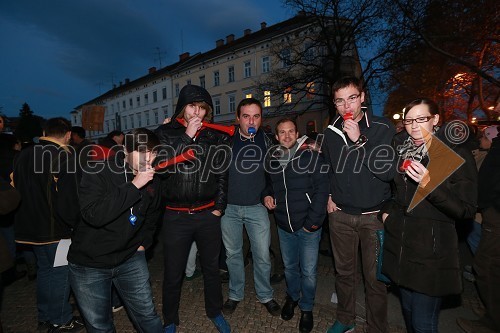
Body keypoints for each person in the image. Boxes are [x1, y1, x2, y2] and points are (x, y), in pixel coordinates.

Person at [381, 98, 477, 333]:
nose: (414, 126)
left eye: (421, 119)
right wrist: (386, 214)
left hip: (431, 252)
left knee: (423, 323)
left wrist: (429, 184)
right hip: (402, 244)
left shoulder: (453, 153)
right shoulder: (400, 147)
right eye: (409, 120)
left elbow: (465, 209)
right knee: (408, 312)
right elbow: (396, 193)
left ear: (435, 120)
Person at [67, 128, 163, 332]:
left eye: (154, 152)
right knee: (100, 325)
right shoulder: (98, 171)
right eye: (142, 151)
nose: (149, 158)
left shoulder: (154, 179)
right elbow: (94, 215)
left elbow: (153, 215)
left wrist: (144, 242)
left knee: (148, 316)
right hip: (90, 264)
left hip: (130, 257)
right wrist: (134, 185)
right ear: (124, 150)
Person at [154, 84, 231, 333]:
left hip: (208, 214)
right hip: (176, 216)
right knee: (173, 273)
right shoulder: (165, 133)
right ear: (182, 107)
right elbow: (162, 167)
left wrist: (219, 207)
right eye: (191, 106)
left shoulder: (215, 135)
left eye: (201, 107)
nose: (196, 112)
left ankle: (215, 311)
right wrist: (186, 136)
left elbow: (222, 174)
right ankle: (170, 319)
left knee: (211, 269)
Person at [322, 77, 395, 333]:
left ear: (362, 97)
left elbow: (387, 172)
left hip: (373, 216)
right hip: (340, 215)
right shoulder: (331, 130)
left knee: (375, 280)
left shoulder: (383, 127)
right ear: (335, 104)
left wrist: (359, 139)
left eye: (352, 98)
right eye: (340, 101)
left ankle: (377, 327)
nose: (346, 106)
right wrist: (329, 195)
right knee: (344, 274)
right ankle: (346, 318)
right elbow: (328, 168)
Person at [12, 117, 84, 332]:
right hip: (56, 228)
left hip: (28, 227)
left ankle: (46, 314)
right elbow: (70, 198)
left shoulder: (23, 154)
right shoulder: (64, 155)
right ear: (68, 134)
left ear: (45, 131)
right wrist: (75, 225)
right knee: (61, 273)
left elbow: (13, 186)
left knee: (45, 271)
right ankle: (60, 319)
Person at [263, 118, 329, 333]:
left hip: (308, 225)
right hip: (284, 225)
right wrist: (267, 194)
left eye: (291, 131)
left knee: (308, 271)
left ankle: (307, 308)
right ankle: (292, 297)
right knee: (290, 267)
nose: (287, 136)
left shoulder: (310, 155)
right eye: (282, 132)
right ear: (276, 136)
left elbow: (322, 189)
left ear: (297, 133)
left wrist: (313, 222)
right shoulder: (273, 158)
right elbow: (268, 183)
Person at [221, 97, 281, 317]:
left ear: (261, 118)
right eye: (246, 116)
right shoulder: (226, 141)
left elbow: (272, 175)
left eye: (256, 116)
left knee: (262, 254)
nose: (251, 121)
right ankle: (235, 294)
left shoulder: (266, 142)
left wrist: (269, 194)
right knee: (233, 254)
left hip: (257, 207)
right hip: (229, 209)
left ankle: (265, 295)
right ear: (238, 119)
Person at [457, 126, 500, 333]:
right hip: (488, 210)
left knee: (487, 265)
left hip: (493, 212)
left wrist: (491, 204)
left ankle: (492, 322)